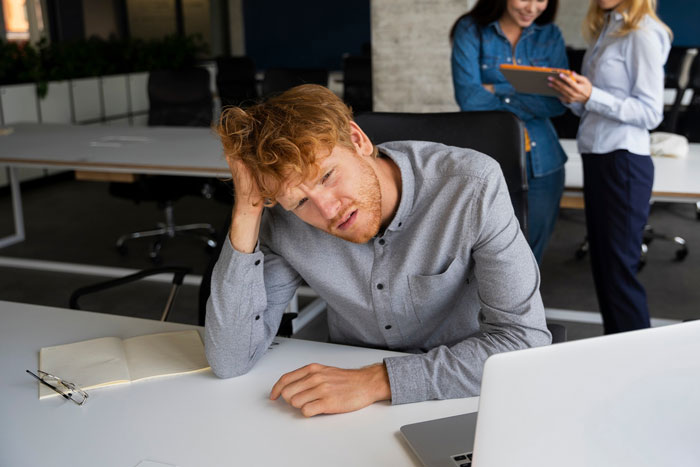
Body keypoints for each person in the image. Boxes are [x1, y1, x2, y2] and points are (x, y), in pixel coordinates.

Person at [205, 84, 550, 417]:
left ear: (358, 141)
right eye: (300, 201)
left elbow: (524, 342)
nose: (327, 210)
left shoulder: (471, 185)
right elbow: (230, 358)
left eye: (327, 176)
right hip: (345, 404)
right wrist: (246, 210)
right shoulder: (285, 219)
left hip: (464, 392)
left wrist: (378, 380)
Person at [549, 0, 671, 333]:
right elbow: (594, 104)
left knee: (618, 273)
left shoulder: (643, 33)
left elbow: (650, 113)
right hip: (599, 155)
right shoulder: (606, 27)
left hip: (623, 161)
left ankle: (637, 360)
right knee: (604, 269)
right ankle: (619, 353)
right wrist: (575, 96)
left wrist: (592, 96)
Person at [450, 0, 569, 264]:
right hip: (488, 158)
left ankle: (525, 307)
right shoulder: (471, 30)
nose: (532, 7)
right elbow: (469, 97)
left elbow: (557, 102)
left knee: (530, 259)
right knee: (485, 255)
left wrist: (497, 88)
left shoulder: (550, 35)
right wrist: (528, 91)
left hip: (543, 163)